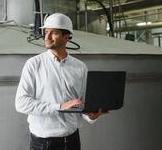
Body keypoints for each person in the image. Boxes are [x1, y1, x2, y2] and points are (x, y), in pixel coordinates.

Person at [15, 13, 106, 150]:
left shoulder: (80, 67)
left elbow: (81, 102)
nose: (47, 36)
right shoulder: (34, 64)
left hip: (72, 140)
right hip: (43, 143)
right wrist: (59, 106)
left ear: (66, 36)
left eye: (54, 33)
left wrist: (91, 115)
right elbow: (21, 103)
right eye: (46, 32)